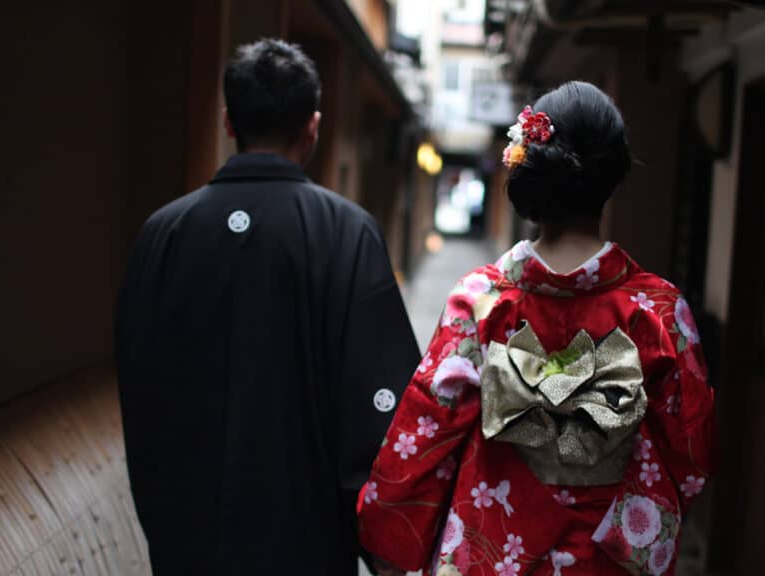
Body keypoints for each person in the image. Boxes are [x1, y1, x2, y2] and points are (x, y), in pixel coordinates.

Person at [358, 81, 716, 575]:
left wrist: (389, 539)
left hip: (490, 547)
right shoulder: (656, 310)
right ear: (614, 177)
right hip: (610, 554)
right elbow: (690, 449)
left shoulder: (482, 300)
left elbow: (428, 425)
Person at [115, 39, 419, 574]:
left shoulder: (162, 234)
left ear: (230, 122)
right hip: (306, 540)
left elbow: (139, 384)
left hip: (187, 534)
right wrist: (383, 546)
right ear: (313, 126)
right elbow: (380, 400)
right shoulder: (346, 233)